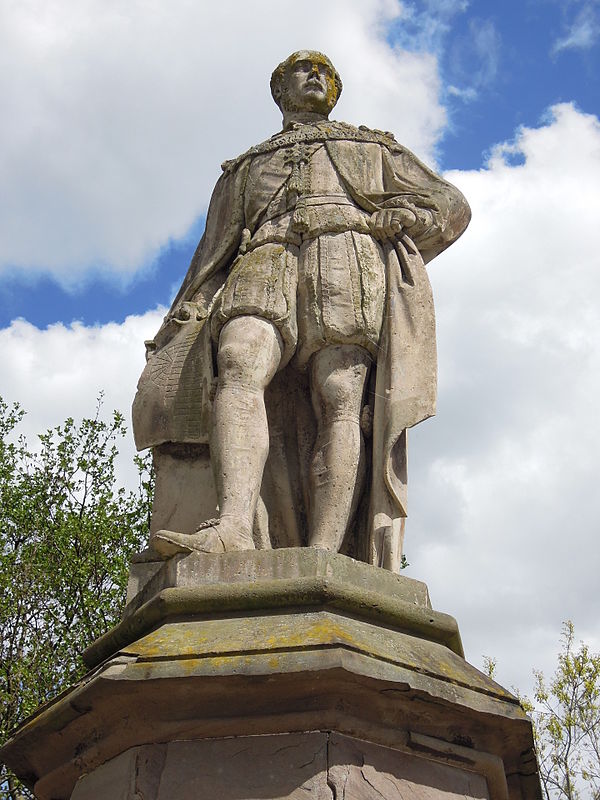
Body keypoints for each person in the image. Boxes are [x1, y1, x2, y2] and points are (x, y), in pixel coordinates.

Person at [133, 50, 470, 570]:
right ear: (280, 88)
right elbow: (210, 254)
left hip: (344, 255)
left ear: (334, 90)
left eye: (325, 71)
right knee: (239, 362)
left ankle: (325, 553)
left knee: (339, 396)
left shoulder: (369, 146)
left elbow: (450, 204)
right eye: (302, 68)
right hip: (264, 257)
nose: (315, 75)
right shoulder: (245, 168)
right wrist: (185, 314)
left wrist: (407, 213)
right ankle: (232, 527)